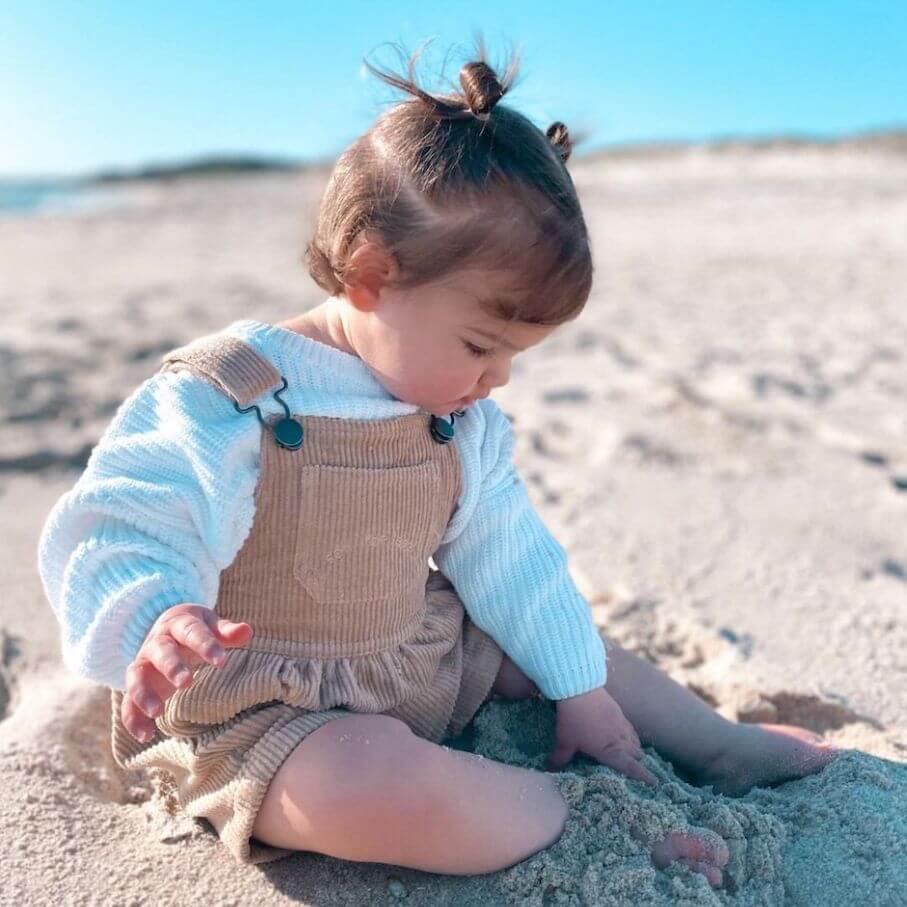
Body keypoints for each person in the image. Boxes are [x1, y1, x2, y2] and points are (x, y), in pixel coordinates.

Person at [36, 37, 836, 889]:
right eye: (481, 345)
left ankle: (714, 742)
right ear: (372, 273)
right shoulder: (232, 395)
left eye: (513, 357)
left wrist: (576, 689)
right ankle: (565, 820)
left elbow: (512, 559)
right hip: (256, 706)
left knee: (569, 647)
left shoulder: (459, 417)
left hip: (413, 655)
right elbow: (128, 515)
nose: (496, 379)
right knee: (360, 782)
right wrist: (159, 611)